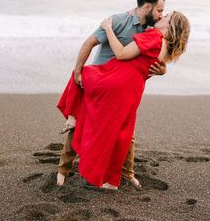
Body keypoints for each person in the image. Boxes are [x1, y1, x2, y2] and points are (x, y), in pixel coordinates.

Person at [57, 11, 190, 189]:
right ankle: (112, 181)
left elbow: (120, 53)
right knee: (122, 134)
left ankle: (72, 116)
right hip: (133, 91)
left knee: (81, 74)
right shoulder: (168, 48)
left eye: (165, 16)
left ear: (169, 26)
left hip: (116, 82)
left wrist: (108, 28)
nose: (161, 17)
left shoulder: (155, 36)